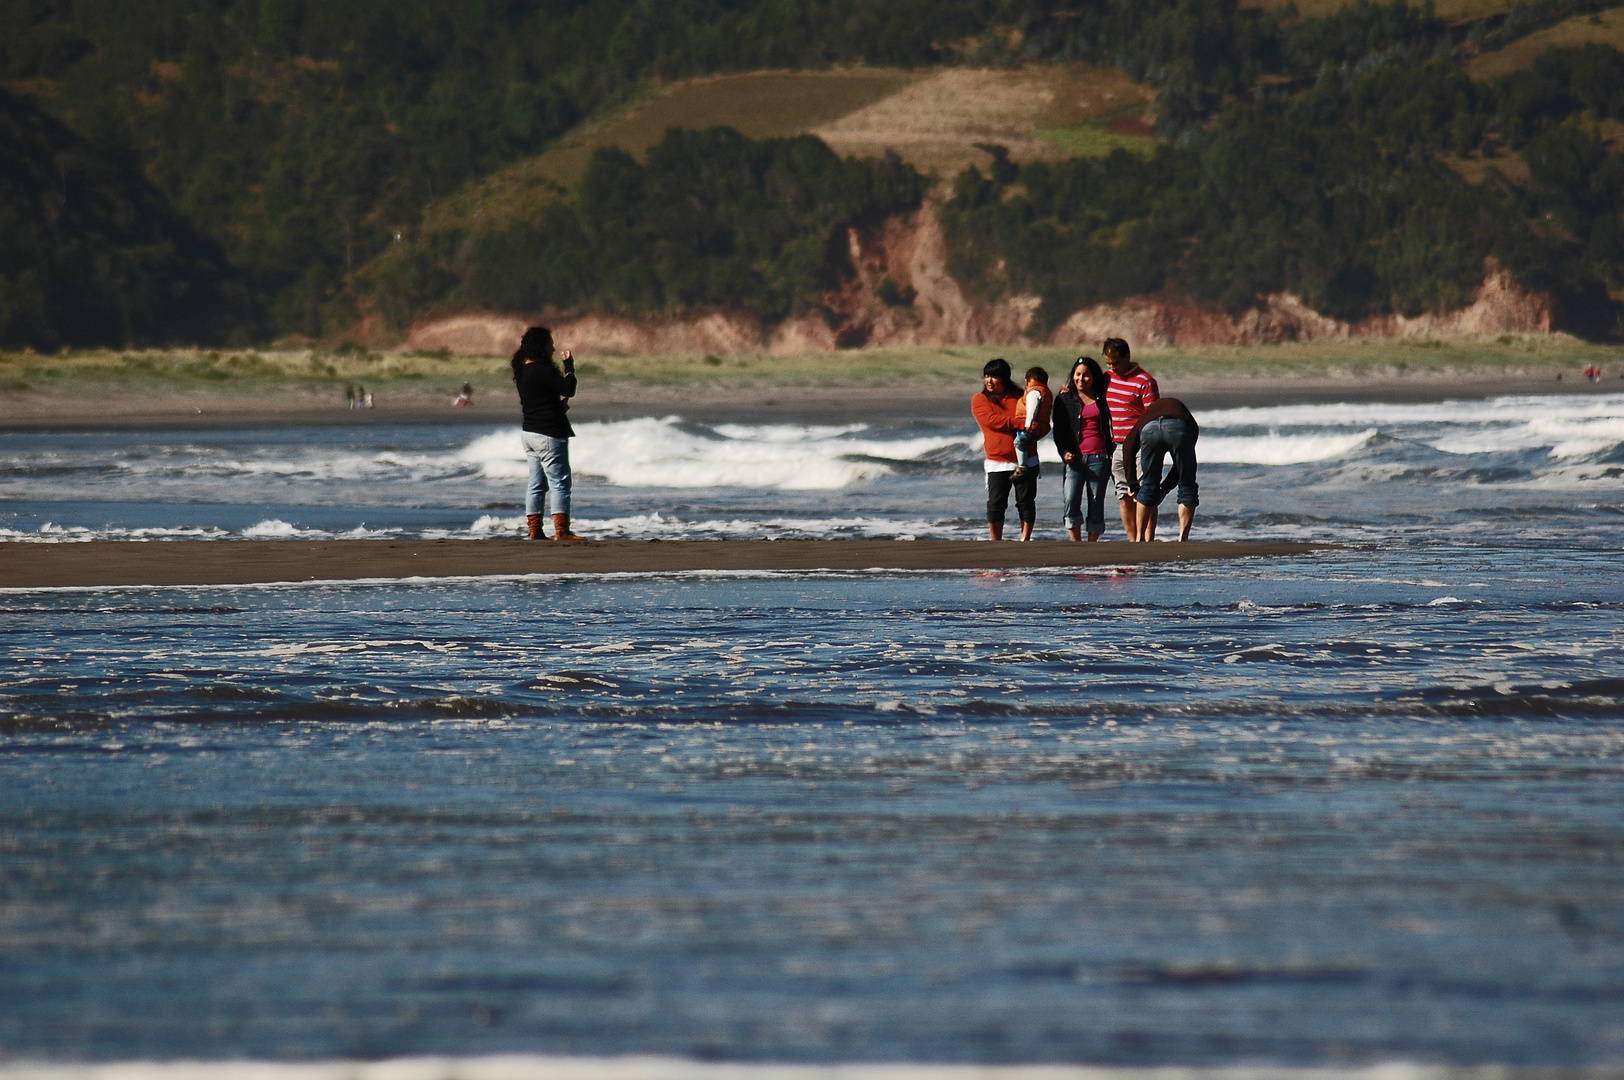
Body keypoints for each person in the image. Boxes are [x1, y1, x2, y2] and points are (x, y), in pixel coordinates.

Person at [512, 326, 584, 542]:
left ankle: (535, 531)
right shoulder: (543, 369)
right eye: (550, 343)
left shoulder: (522, 370)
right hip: (548, 434)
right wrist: (569, 367)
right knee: (560, 482)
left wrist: (556, 408)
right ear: (541, 346)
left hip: (530, 433)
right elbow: (568, 388)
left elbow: (540, 400)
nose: (553, 347)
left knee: (536, 484)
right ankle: (562, 531)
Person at [971, 358, 1037, 541]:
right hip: (997, 461)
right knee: (995, 504)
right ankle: (995, 539)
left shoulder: (1021, 397)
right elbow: (993, 421)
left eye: (994, 377)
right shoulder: (980, 399)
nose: (989, 381)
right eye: (986, 376)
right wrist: (1020, 423)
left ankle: (1025, 539)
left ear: (1005, 378)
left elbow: (1037, 416)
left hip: (1026, 459)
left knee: (1025, 503)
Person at [1102, 337, 1159, 541]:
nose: (1112, 367)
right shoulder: (1106, 378)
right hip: (1116, 445)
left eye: (1116, 362)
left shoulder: (1145, 381)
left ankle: (1147, 539)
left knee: (1144, 492)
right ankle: (1133, 539)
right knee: (1123, 493)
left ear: (1127, 357)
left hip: (1141, 445)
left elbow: (1153, 417)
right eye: (1108, 363)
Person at [1051, 356, 1113, 542]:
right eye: (1077, 374)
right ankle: (1075, 542)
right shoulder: (1064, 399)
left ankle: (1092, 544)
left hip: (1099, 457)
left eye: (1086, 375)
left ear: (1094, 377)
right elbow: (1059, 431)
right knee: (1071, 500)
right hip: (1074, 458)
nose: (1081, 379)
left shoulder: (1103, 398)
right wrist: (1063, 452)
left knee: (1095, 502)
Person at [1123, 396, 1199, 542]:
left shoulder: (1144, 417)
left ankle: (1139, 538)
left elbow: (1128, 447)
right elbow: (1181, 468)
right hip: (1179, 427)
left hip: (1149, 429)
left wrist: (1132, 483)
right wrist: (1164, 489)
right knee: (1187, 484)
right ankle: (1183, 538)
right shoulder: (1190, 423)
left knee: (1148, 485)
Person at [1010, 366, 1053, 481]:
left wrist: (1028, 423)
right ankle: (1023, 465)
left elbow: (1032, 408)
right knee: (1022, 441)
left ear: (1027, 381)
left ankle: (1022, 466)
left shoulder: (1034, 392)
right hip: (1042, 424)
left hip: (1032, 425)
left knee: (1019, 442)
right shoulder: (1045, 391)